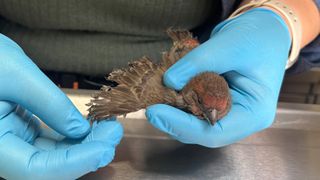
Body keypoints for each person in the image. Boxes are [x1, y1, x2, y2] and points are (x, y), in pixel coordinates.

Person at [0, 0, 319, 179]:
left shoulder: (193, 78)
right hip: (19, 75)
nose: (210, 115)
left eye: (212, 110)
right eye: (203, 106)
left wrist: (282, 15)